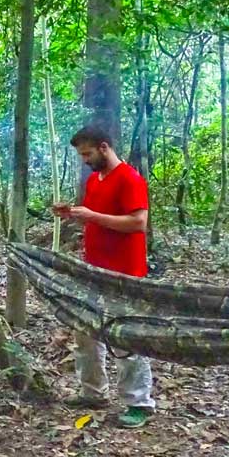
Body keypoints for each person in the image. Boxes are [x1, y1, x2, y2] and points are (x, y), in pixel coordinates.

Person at [53, 124, 156, 429]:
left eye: (87, 153)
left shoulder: (129, 179)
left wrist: (92, 216)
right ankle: (93, 392)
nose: (84, 160)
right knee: (85, 332)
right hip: (94, 271)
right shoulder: (95, 181)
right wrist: (73, 212)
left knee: (126, 337)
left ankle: (138, 402)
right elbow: (95, 217)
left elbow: (138, 223)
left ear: (103, 147)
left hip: (125, 274)